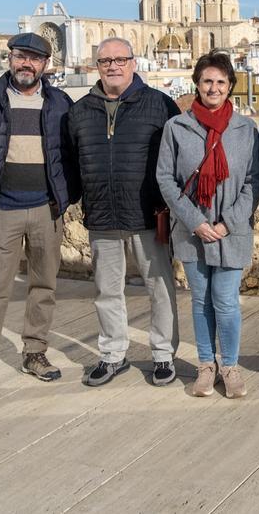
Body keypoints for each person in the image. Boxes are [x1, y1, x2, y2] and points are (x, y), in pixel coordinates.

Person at [0, 33, 77, 408]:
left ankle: (34, 352)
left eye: (35, 59)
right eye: (22, 56)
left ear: (46, 65)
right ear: (10, 58)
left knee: (44, 286)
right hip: (0, 211)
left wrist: (66, 199)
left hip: (46, 210)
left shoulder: (59, 102)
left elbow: (71, 155)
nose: (27, 64)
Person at [69, 37, 182, 387]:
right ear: (96, 66)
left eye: (120, 59)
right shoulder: (80, 110)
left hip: (149, 214)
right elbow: (72, 161)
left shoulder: (160, 105)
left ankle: (163, 354)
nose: (113, 66)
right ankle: (112, 354)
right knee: (106, 290)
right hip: (102, 215)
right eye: (105, 61)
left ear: (134, 63)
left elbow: (178, 159)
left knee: (160, 287)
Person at [157, 51, 259, 398]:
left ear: (230, 86)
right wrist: (196, 221)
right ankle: (206, 365)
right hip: (191, 230)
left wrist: (228, 223)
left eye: (220, 82)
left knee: (226, 300)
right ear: (196, 85)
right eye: (207, 81)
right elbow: (166, 179)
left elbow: (253, 180)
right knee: (200, 300)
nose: (213, 88)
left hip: (231, 231)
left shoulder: (245, 129)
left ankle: (229, 366)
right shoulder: (177, 128)